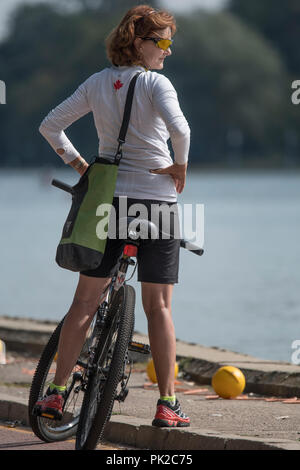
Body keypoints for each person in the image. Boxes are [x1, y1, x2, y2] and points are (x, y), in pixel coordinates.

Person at [34, 4, 191, 428]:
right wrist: (180, 166)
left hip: (107, 203)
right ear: (139, 45)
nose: (168, 51)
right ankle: (168, 405)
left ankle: (57, 392)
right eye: (162, 42)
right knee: (158, 307)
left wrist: (80, 165)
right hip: (157, 204)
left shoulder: (97, 83)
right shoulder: (158, 83)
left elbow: (51, 125)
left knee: (84, 301)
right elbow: (182, 131)